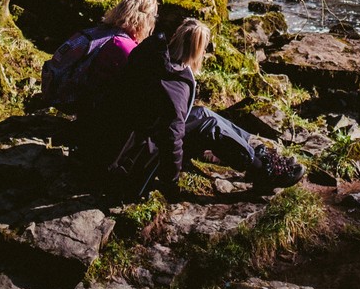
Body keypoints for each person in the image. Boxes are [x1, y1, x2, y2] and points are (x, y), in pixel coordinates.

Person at [88, 18, 304, 198]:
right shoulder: (175, 85)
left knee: (202, 114)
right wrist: (170, 183)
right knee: (209, 125)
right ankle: (262, 171)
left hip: (115, 141)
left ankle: (256, 151)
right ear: (198, 51)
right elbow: (171, 138)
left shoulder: (152, 53)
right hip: (128, 161)